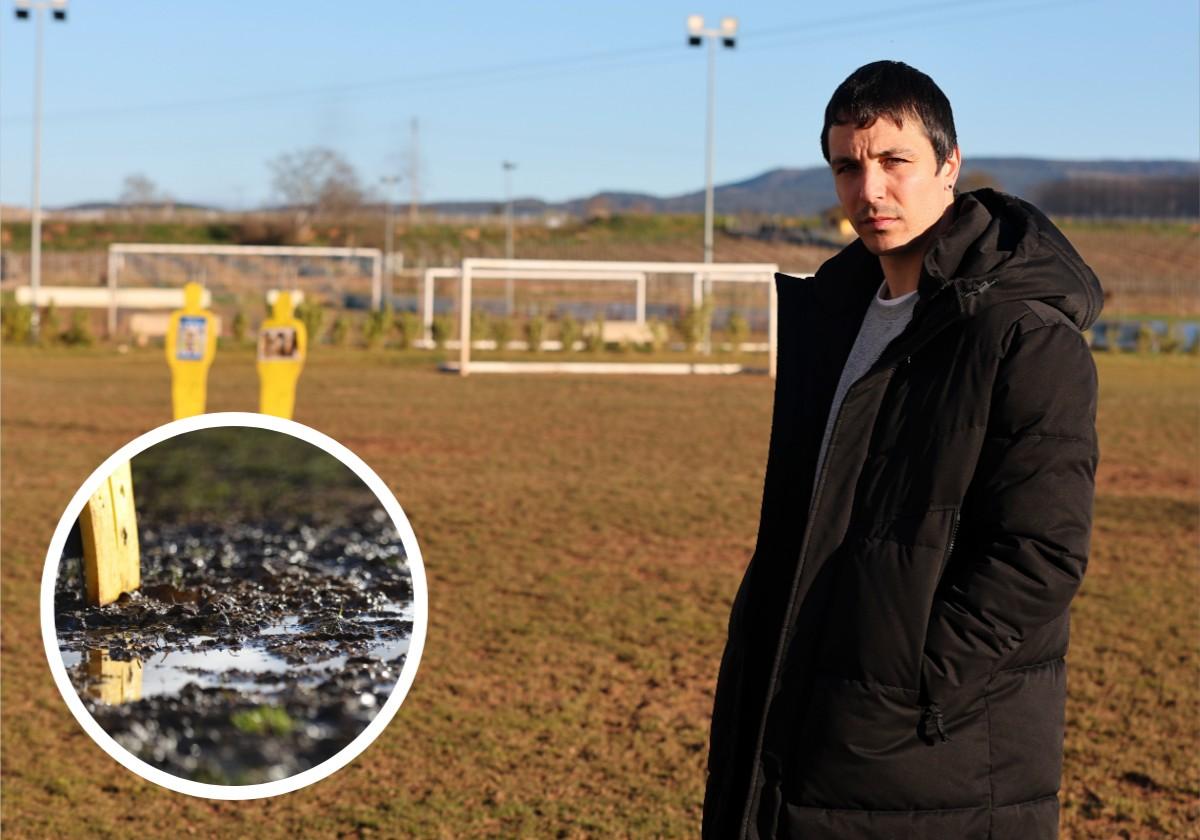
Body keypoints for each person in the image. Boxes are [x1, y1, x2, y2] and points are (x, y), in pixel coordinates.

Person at [704, 60, 1102, 840]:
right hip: (802, 705)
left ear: (948, 165)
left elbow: (1040, 553)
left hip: (928, 745)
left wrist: (917, 685)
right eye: (848, 167)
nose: (870, 191)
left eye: (895, 162)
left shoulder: (1023, 335)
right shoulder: (835, 316)